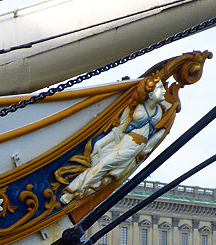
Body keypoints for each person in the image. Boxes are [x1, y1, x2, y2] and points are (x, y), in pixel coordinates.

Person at [60, 76, 171, 204]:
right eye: (160, 88)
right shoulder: (134, 107)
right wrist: (102, 143)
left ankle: (78, 193)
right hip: (126, 142)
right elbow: (119, 130)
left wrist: (147, 148)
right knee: (102, 165)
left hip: (137, 149)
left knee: (109, 172)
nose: (163, 91)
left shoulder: (159, 112)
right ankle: (73, 191)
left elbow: (160, 132)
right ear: (150, 94)